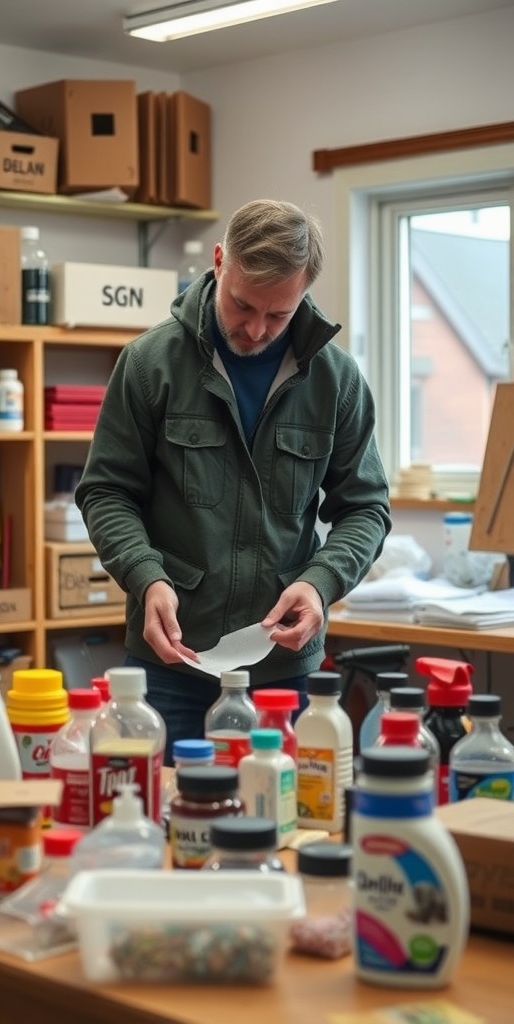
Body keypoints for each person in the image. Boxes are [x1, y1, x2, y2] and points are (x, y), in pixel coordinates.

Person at [75, 199, 391, 763]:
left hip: (283, 674)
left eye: (278, 315)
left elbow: (365, 508)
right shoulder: (150, 365)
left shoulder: (337, 381)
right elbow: (106, 492)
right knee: (160, 818)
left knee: (282, 820)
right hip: (170, 663)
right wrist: (147, 578)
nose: (254, 329)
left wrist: (322, 583)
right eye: (242, 305)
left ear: (304, 292)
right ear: (220, 261)